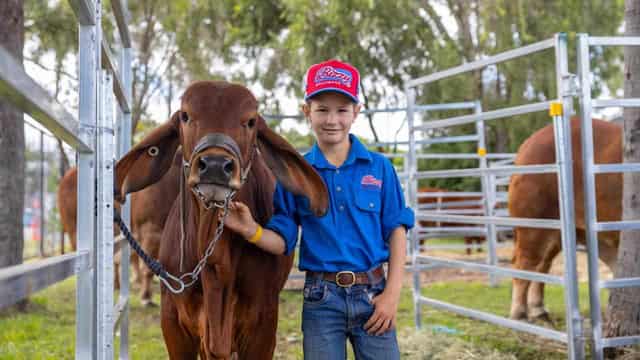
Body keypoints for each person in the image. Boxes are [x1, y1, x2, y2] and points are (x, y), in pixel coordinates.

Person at [224, 59, 414, 360]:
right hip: (321, 299)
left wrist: (391, 296)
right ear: (306, 112)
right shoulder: (292, 173)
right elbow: (283, 241)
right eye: (322, 109)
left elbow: (397, 232)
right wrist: (251, 231)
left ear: (356, 112)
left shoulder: (379, 168)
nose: (332, 119)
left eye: (342, 110)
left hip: (374, 293)